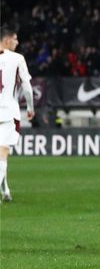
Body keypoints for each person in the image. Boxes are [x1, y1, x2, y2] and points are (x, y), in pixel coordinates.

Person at [0, 26, 35, 203]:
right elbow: (27, 87)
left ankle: (5, 189)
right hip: (7, 111)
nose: (17, 42)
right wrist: (30, 107)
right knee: (3, 150)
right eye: (15, 39)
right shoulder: (17, 58)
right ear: (7, 40)